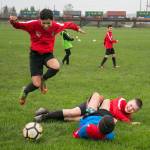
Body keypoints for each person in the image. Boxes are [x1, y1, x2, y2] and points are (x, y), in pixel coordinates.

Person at [9, 9, 85, 105]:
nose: (45, 25)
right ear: (40, 20)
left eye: (48, 23)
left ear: (52, 21)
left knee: (56, 66)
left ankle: (43, 79)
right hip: (35, 56)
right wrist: (13, 21)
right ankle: (25, 91)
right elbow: (19, 25)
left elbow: (68, 24)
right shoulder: (33, 24)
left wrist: (77, 29)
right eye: (43, 23)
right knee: (36, 84)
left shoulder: (56, 26)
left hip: (47, 54)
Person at [34, 92, 142, 124]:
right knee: (73, 112)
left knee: (70, 118)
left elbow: (120, 116)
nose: (130, 108)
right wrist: (129, 122)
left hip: (98, 113)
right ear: (129, 101)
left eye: (134, 110)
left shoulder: (127, 115)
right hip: (94, 106)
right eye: (131, 105)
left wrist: (127, 119)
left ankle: (45, 114)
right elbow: (116, 112)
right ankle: (45, 116)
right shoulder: (121, 101)